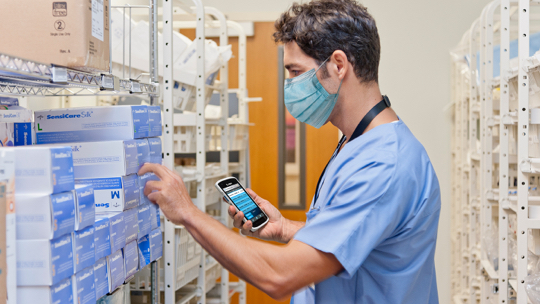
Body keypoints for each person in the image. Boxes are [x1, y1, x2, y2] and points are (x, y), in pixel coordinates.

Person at [139, 0, 441, 302]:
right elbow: (353, 238)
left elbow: (280, 275)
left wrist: (188, 213)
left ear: (338, 65)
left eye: (296, 72)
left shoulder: (383, 164)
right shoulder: (359, 142)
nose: (291, 85)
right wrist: (285, 228)